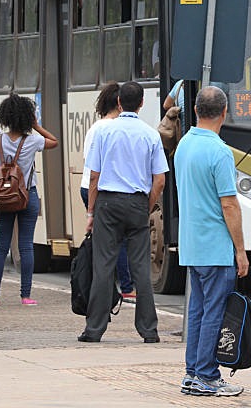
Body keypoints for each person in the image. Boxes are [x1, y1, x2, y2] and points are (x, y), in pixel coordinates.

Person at [174, 85, 249, 397]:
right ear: (224, 113)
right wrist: (241, 250)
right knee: (214, 313)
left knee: (198, 311)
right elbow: (229, 204)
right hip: (215, 246)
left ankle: (193, 372)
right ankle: (206, 375)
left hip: (191, 244)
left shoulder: (184, 145)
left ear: (194, 110)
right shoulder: (219, 152)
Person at [80, 81, 167, 343]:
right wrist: (147, 206)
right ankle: (148, 330)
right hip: (137, 203)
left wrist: (91, 213)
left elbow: (94, 176)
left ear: (119, 103)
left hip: (107, 203)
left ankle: (94, 329)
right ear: (142, 104)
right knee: (141, 268)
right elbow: (160, 180)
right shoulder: (151, 134)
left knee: (104, 266)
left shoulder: (105, 132)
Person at [0, 93, 58, 306]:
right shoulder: (33, 140)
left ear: (4, 116)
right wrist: (36, 125)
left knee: (1, 246)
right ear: (26, 118)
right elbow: (54, 142)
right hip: (27, 196)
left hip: (3, 198)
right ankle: (25, 295)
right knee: (26, 246)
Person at [80, 82, 134, 300]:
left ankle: (105, 285)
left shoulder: (96, 127)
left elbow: (88, 161)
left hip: (89, 187)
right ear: (120, 104)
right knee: (117, 240)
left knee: (107, 240)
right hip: (101, 188)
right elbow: (97, 170)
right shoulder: (110, 128)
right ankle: (127, 287)